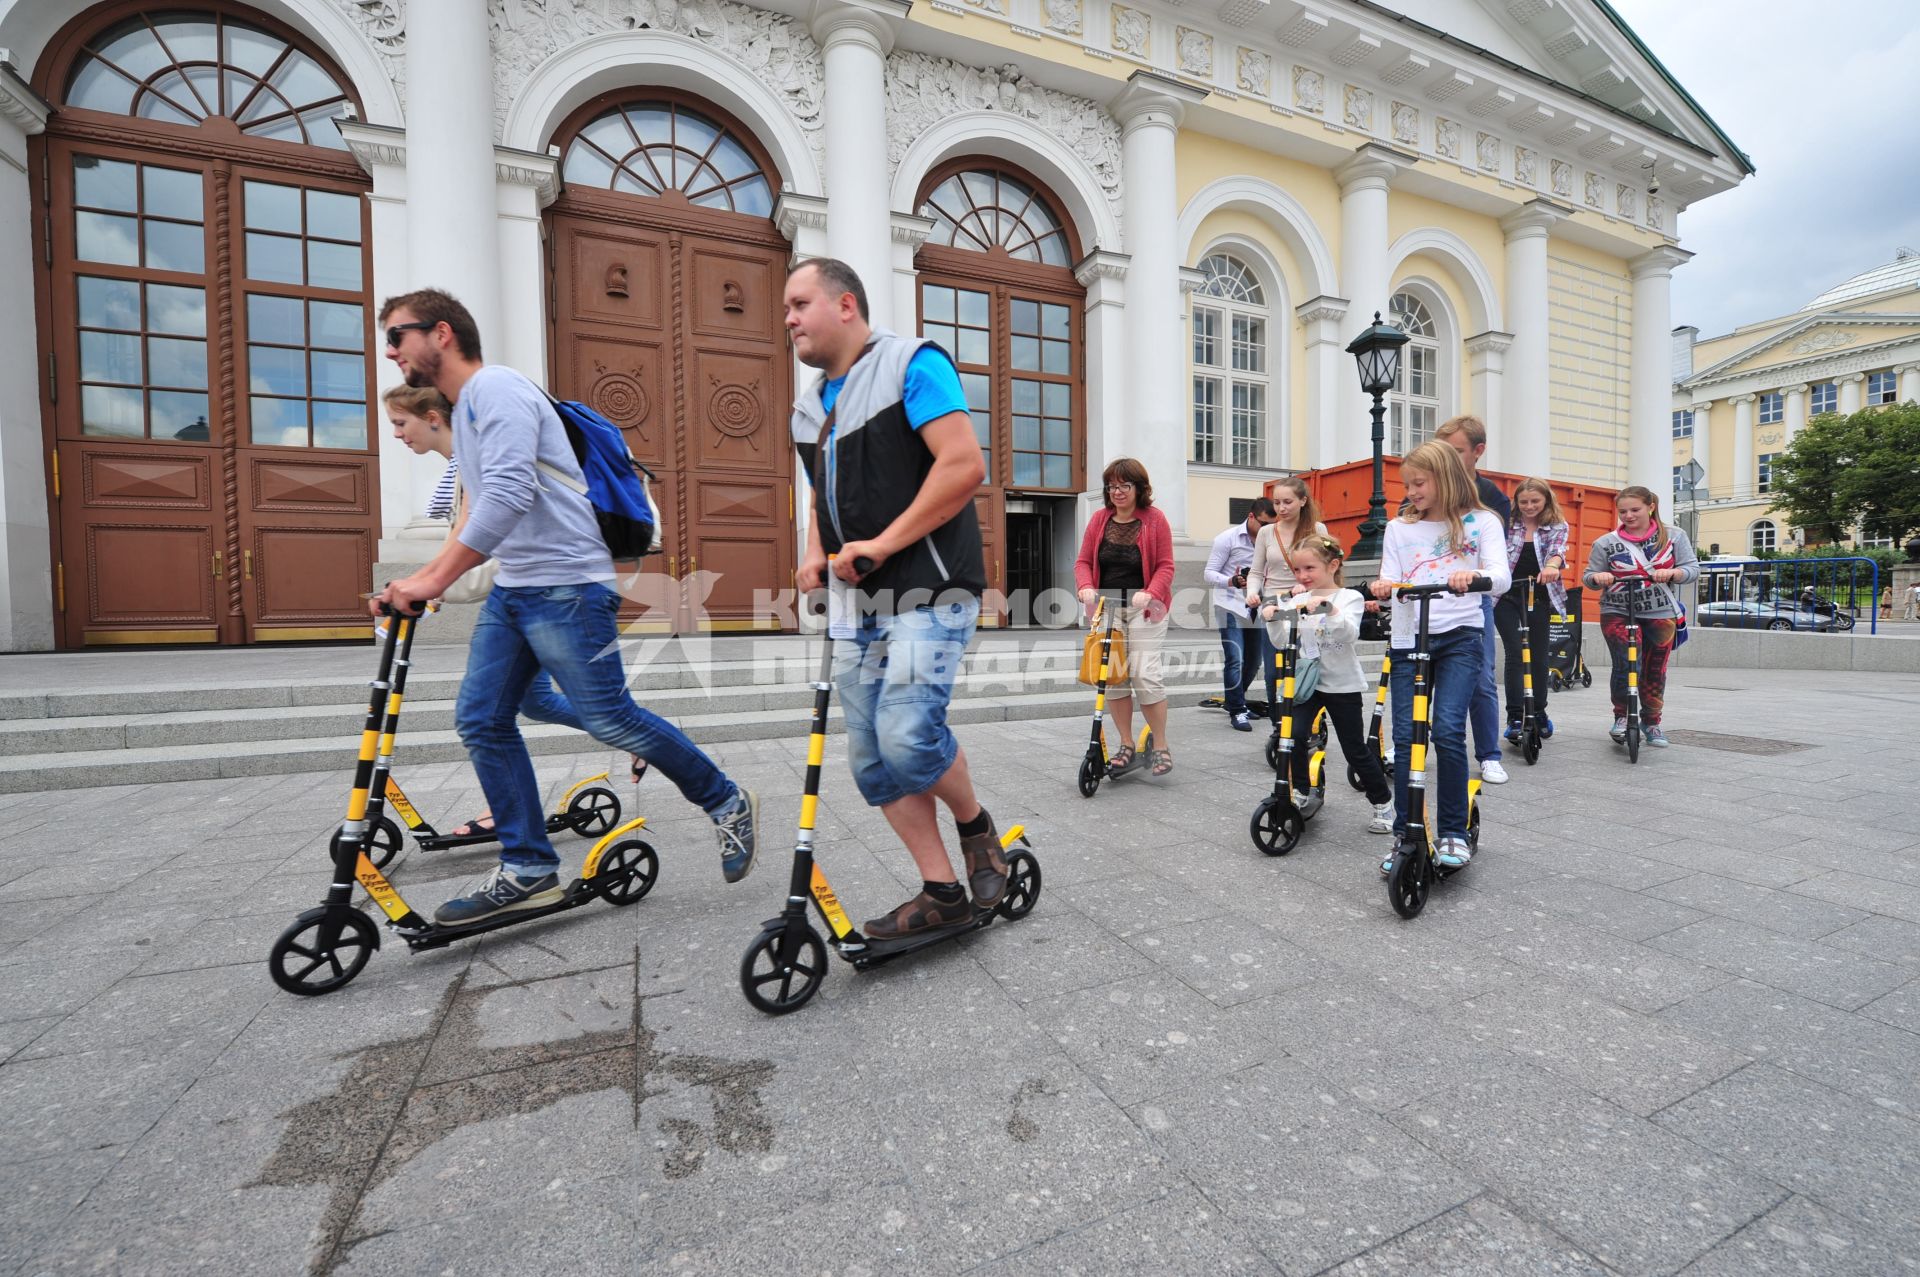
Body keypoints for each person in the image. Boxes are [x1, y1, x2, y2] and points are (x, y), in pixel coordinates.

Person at [371, 288, 758, 925]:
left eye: (397, 336)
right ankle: (529, 867)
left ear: (441, 333)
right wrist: (418, 579)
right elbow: (479, 511)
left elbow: (508, 497)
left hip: (567, 588)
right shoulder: (467, 410)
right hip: (519, 589)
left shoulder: (496, 389)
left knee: (610, 718)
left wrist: (433, 582)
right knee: (484, 718)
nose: (390, 351)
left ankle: (725, 799)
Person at [785, 258, 1005, 941]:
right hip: (856, 607)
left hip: (930, 588)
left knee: (909, 737)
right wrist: (816, 550)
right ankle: (942, 890)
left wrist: (880, 543)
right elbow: (824, 491)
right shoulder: (807, 405)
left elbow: (964, 465)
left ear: (844, 304)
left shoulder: (913, 362)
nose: (788, 318)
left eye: (800, 303)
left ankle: (976, 828)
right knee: (872, 761)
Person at [384, 384, 646, 839]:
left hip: (547, 593)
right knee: (528, 702)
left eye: (400, 423)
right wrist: (428, 583)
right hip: (524, 597)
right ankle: (631, 740)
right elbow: (462, 547)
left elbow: (503, 549)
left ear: (431, 416)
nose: (396, 435)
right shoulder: (461, 467)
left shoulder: (479, 459)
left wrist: (436, 587)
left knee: (490, 713)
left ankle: (509, 818)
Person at [1369, 441, 1510, 872]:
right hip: (1410, 638)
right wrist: (1382, 587)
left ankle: (1452, 830)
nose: (1410, 491)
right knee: (1406, 736)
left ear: (1445, 476)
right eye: (1407, 483)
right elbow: (1391, 576)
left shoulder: (1481, 522)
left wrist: (1475, 575)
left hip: (1460, 636)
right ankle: (1404, 832)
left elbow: (1500, 576)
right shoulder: (1399, 528)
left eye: (1419, 482)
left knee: (1448, 729)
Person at [1265, 534, 1393, 834]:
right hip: (1306, 685)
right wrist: (1272, 618)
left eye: (1309, 568)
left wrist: (1329, 609)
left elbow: (1348, 634)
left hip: (1342, 685)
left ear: (1333, 565)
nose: (1302, 576)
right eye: (1297, 570)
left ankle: (1383, 803)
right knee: (1292, 737)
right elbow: (1284, 641)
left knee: (1354, 749)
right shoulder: (1296, 600)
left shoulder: (1350, 597)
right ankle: (1301, 791)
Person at [1075, 457, 1177, 777]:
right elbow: (1082, 562)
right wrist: (1086, 586)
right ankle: (1126, 743)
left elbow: (1165, 565)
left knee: (1145, 674)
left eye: (1124, 485)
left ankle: (1160, 745)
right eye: (1112, 486)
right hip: (1108, 608)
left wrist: (1151, 592)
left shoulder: (1154, 519)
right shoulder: (1099, 520)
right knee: (1115, 677)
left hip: (1145, 607)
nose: (1117, 491)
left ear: (1139, 488)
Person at [1583, 485, 1699, 749]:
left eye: (1635, 510)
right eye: (1623, 511)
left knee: (1655, 669)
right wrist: (1598, 577)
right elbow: (1588, 577)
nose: (1628, 515)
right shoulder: (1606, 542)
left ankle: (1652, 721)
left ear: (1651, 507)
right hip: (1617, 610)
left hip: (1660, 611)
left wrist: (1673, 574)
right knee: (1625, 663)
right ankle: (1622, 717)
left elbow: (1692, 569)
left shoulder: (1674, 537)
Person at [1434, 415, 1511, 786]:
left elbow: (1495, 561)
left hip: (1471, 598)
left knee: (1481, 679)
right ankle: (1406, 744)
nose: (1446, 458)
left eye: (1457, 451)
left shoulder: (1492, 498)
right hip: (1428, 599)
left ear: (1477, 452)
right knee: (1418, 673)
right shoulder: (1424, 490)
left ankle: (1489, 754)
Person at [1245, 477, 1330, 721]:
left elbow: (1328, 568)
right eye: (1277, 502)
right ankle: (1278, 722)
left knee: (1308, 663)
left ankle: (1311, 721)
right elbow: (1257, 571)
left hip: (1306, 602)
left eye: (1287, 502)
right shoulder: (1266, 532)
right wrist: (1253, 592)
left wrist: (1306, 584)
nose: (1281, 508)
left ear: (1303, 501)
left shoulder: (1318, 529)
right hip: (1274, 602)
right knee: (1273, 671)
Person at [1495, 477, 1569, 743]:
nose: (1529, 506)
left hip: (1538, 596)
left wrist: (1552, 566)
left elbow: (1557, 550)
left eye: (1535, 501)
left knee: (1538, 656)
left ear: (1546, 500)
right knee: (1516, 653)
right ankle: (1515, 715)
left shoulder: (1557, 525)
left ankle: (1538, 712)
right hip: (1506, 597)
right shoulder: (1506, 523)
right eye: (1523, 501)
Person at [1205, 498, 1277, 731]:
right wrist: (1231, 580)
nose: (1267, 529)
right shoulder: (1227, 539)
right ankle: (1237, 710)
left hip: (1256, 605)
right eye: (1264, 523)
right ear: (1251, 517)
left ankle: (1236, 700)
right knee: (1236, 658)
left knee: (1255, 661)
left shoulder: (1273, 538)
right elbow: (1208, 573)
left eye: (1272, 524)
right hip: (1229, 604)